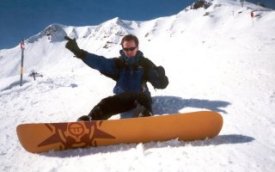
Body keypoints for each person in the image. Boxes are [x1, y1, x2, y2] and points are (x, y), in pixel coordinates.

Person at [65, 34, 169, 121]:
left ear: (137, 48)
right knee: (106, 103)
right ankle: (90, 121)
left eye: (132, 49)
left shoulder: (145, 63)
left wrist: (161, 77)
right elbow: (101, 62)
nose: (129, 52)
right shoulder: (118, 63)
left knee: (144, 103)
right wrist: (80, 53)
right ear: (122, 49)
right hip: (123, 97)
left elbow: (160, 84)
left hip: (141, 96)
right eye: (126, 49)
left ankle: (146, 117)